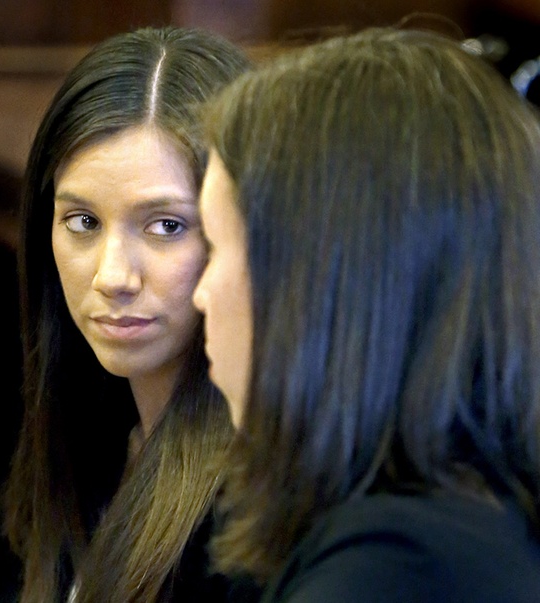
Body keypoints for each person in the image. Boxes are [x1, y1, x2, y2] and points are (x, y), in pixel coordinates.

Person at [193, 26, 540, 602]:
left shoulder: (395, 568)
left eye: (214, 245)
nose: (200, 294)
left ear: (319, 275)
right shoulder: (465, 521)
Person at [4, 26, 251, 603]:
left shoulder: (249, 504)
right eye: (83, 222)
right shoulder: (92, 426)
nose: (113, 276)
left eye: (167, 226)